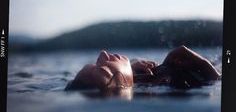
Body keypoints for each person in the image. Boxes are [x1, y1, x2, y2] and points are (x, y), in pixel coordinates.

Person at [65, 46, 220, 91]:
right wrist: (204, 64)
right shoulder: (165, 87)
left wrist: (130, 70)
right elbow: (219, 82)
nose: (102, 54)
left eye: (95, 62)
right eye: (103, 68)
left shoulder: (138, 79)